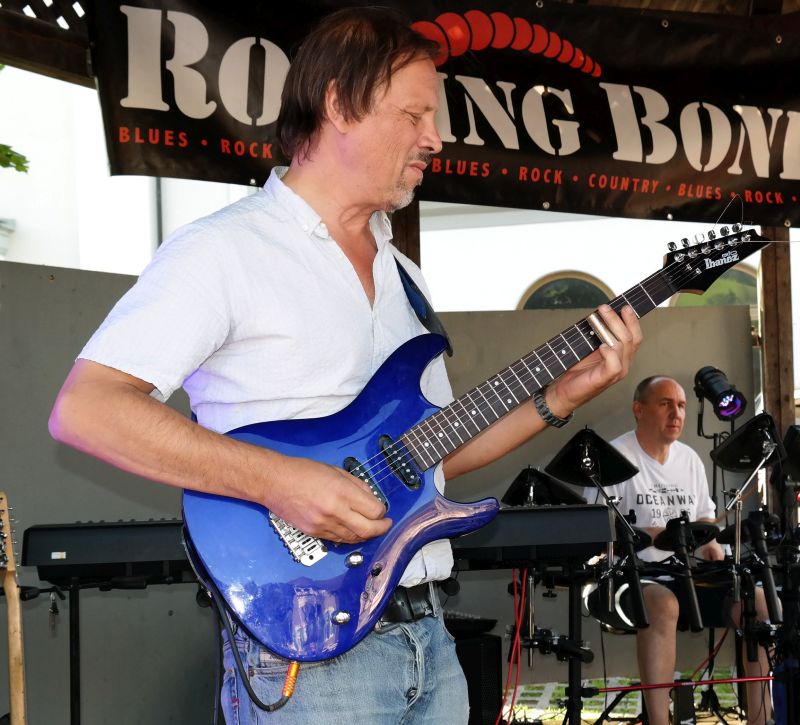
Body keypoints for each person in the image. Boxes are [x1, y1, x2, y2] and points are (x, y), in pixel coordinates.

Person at [48, 7, 641, 724]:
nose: (435, 138)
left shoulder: (404, 277)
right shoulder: (224, 251)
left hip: (430, 640)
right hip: (307, 656)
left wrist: (558, 399)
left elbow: (430, 458)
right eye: (415, 114)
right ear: (338, 104)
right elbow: (88, 409)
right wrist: (283, 482)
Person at [586, 376, 773, 725]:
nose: (677, 413)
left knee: (758, 601)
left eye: (682, 406)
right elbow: (593, 531)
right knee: (664, 604)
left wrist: (712, 544)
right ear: (638, 409)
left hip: (688, 574)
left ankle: (761, 719)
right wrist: (649, 534)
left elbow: (705, 519)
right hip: (630, 578)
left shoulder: (689, 459)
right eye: (665, 404)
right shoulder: (613, 458)